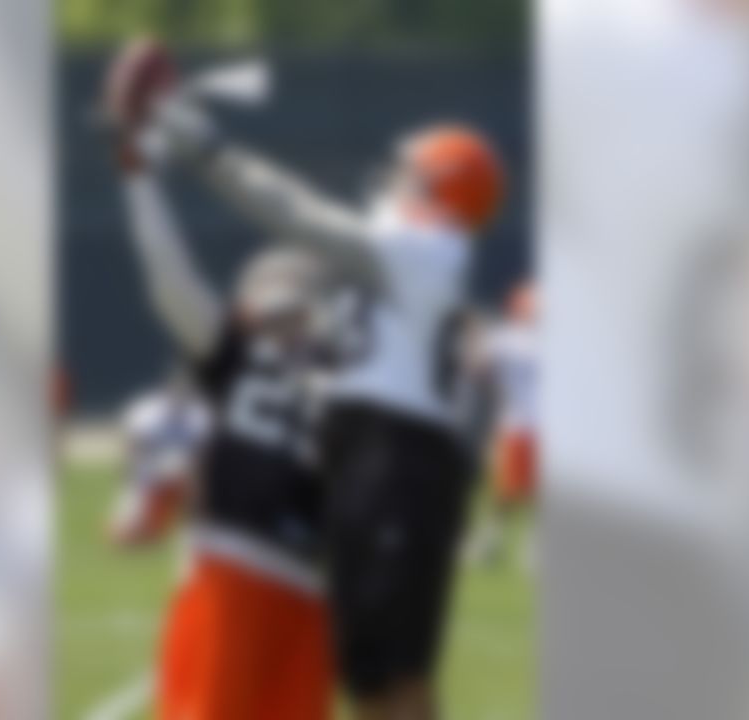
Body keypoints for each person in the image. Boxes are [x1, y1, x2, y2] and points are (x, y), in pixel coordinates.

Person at [117, 40, 507, 718]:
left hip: (394, 464)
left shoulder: (426, 249)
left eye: (408, 175)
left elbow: (296, 214)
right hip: (379, 464)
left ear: (438, 188)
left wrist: (204, 145)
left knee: (393, 684)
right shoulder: (416, 275)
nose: (392, 182)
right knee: (374, 682)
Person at [109, 60, 335, 714]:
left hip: (233, 568)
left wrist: (138, 177)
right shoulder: (349, 373)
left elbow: (169, 282)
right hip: (305, 586)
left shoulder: (241, 353)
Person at [466, 281, 539, 568]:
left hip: (543, 425)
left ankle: (533, 549)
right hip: (514, 421)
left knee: (540, 493)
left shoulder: (551, 338)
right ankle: (490, 542)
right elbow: (480, 372)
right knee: (503, 491)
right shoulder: (504, 338)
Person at [109, 374, 211, 547]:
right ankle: (147, 523)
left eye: (184, 396)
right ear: (166, 395)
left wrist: (197, 479)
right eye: (176, 395)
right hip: (148, 473)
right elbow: (131, 446)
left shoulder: (198, 416)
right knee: (120, 537)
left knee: (181, 470)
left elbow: (204, 453)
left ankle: (194, 527)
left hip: (185, 477)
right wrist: (136, 471)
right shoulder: (147, 413)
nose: (179, 401)